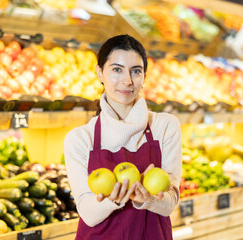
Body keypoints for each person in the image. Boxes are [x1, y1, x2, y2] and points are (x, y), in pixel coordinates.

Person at [64, 34, 182, 239]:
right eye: (117, 69)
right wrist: (115, 199)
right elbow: (88, 214)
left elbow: (169, 204)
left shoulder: (165, 126)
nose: (127, 81)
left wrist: (147, 199)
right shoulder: (80, 138)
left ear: (144, 76)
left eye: (136, 71)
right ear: (99, 72)